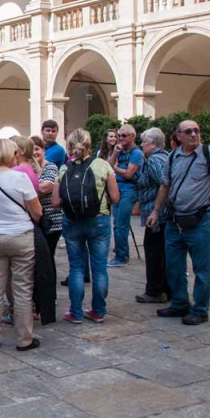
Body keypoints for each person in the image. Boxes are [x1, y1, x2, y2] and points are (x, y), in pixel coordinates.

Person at [147, 120, 210, 325]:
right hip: (174, 221)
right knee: (173, 266)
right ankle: (179, 303)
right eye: (188, 131)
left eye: (196, 131)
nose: (194, 134)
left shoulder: (208, 154)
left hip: (200, 221)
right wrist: (155, 211)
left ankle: (200, 310)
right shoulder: (173, 156)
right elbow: (165, 185)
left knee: (202, 269)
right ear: (179, 136)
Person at [0, 139, 41, 351]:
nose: (17, 156)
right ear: (10, 155)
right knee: (22, 289)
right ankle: (24, 339)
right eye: (15, 153)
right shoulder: (20, 178)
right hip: (20, 236)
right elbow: (37, 211)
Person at [59, 129, 119, 325]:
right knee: (99, 268)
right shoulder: (103, 165)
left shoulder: (64, 169)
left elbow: (56, 202)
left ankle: (75, 312)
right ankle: (98, 311)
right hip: (99, 220)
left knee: (76, 268)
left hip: (72, 222)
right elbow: (116, 197)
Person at [135, 128, 170, 304]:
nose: (141, 145)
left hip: (157, 215)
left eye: (144, 142)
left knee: (154, 252)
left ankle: (155, 291)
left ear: (154, 144)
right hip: (162, 213)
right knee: (162, 252)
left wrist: (156, 210)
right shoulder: (166, 157)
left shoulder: (155, 160)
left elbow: (164, 183)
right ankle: (167, 289)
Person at [30, 136, 69, 286]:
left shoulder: (50, 167)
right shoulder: (29, 168)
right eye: (31, 149)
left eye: (37, 149)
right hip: (37, 219)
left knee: (47, 256)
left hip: (52, 220)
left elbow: (44, 188)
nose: (34, 152)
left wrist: (26, 191)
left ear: (43, 150)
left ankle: (49, 290)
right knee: (38, 258)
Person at [107, 124, 144, 267]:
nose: (120, 138)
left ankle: (122, 256)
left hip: (130, 189)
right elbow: (108, 166)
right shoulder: (120, 150)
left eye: (124, 136)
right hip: (117, 188)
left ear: (132, 137)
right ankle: (121, 253)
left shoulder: (137, 153)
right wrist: (115, 154)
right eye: (119, 136)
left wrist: (116, 167)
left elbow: (129, 174)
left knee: (121, 224)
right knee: (117, 222)